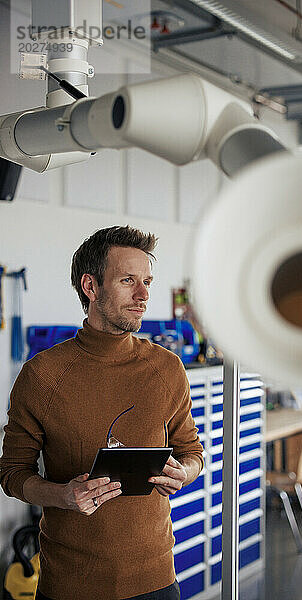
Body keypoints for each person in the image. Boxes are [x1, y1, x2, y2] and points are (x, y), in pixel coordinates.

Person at [0, 226, 204, 600]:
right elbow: (12, 474)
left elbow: (192, 453)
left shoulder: (168, 368)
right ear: (90, 287)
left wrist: (184, 472)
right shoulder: (43, 375)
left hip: (157, 580)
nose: (143, 295)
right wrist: (63, 495)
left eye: (147, 281)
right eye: (129, 280)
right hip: (71, 586)